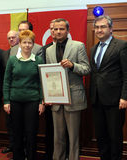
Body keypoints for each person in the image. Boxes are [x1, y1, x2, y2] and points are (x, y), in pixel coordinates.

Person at [45, 18, 90, 160]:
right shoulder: (49, 50)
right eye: (56, 29)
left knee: (73, 138)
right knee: (57, 137)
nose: (58, 31)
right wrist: (48, 96)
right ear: (52, 31)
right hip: (56, 98)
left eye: (62, 29)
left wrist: (72, 65)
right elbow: (49, 75)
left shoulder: (78, 46)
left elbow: (87, 69)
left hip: (73, 98)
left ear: (68, 31)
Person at [3, 30, 45, 160]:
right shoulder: (12, 60)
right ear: (19, 44)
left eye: (30, 42)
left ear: (33, 44)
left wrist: (41, 101)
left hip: (32, 101)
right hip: (15, 101)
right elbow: (6, 81)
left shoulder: (38, 60)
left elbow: (41, 82)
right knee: (17, 133)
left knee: (31, 133)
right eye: (24, 42)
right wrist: (6, 101)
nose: (27, 45)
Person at [90, 15, 127, 160]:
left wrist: (124, 96)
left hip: (115, 100)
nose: (99, 30)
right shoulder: (93, 49)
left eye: (103, 27)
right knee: (101, 136)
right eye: (97, 27)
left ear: (110, 29)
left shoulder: (121, 46)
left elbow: (126, 73)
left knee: (114, 136)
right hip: (97, 99)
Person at [36, 19, 56, 160]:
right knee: (50, 126)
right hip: (49, 94)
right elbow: (40, 73)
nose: (55, 32)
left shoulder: (71, 47)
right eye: (52, 29)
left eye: (57, 28)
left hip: (67, 95)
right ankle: (49, 155)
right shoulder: (44, 49)